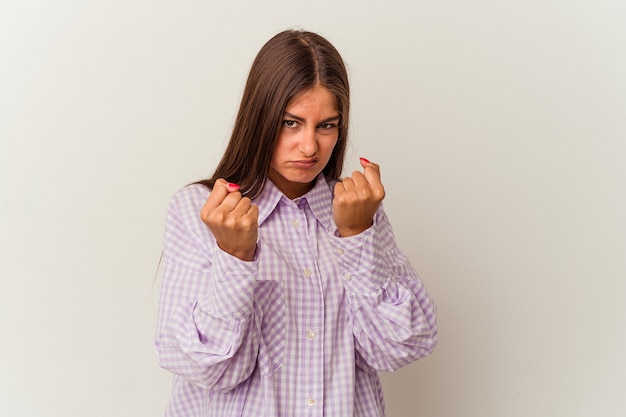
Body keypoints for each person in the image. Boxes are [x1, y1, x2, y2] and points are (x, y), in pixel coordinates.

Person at [155, 29, 438, 417]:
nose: (309, 147)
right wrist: (234, 256)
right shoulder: (200, 211)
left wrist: (357, 236)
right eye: (291, 123)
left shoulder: (357, 212)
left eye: (326, 125)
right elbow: (206, 368)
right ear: (260, 118)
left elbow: (400, 347)